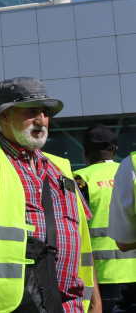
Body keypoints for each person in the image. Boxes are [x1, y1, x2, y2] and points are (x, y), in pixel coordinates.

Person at [0, 77, 98, 313]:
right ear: (4, 116)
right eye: (31, 111)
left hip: (72, 306)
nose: (41, 120)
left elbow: (81, 239)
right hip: (11, 306)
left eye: (44, 112)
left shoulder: (61, 168)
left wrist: (95, 302)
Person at [75, 125, 136, 312]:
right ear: (115, 150)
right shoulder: (129, 171)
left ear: (85, 151)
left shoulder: (80, 179)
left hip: (103, 279)